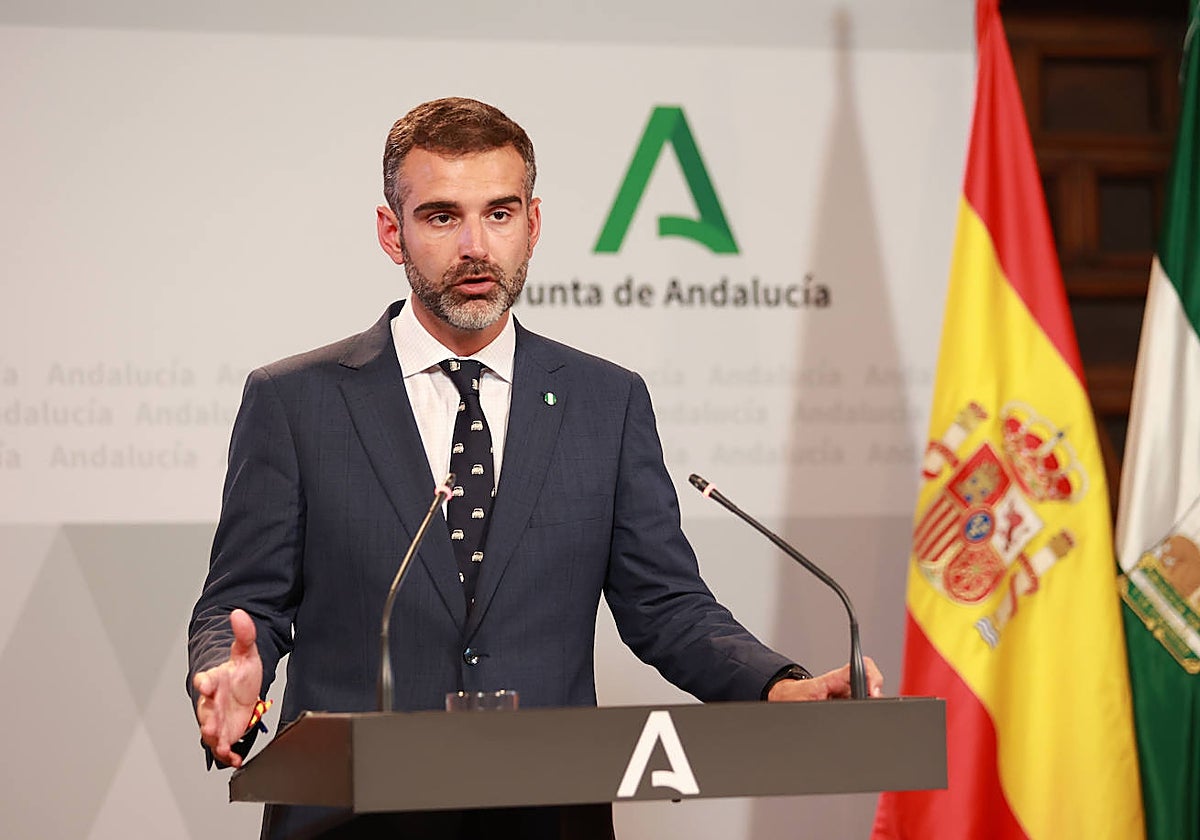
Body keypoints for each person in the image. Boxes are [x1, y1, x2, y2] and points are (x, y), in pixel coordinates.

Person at [187, 97, 883, 840]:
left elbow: (667, 607)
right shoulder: (295, 402)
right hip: (351, 819)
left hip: (547, 816)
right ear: (393, 233)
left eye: (500, 213)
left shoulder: (605, 402)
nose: (476, 247)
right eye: (442, 217)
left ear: (534, 224)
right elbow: (242, 604)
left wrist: (778, 686)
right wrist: (232, 679)